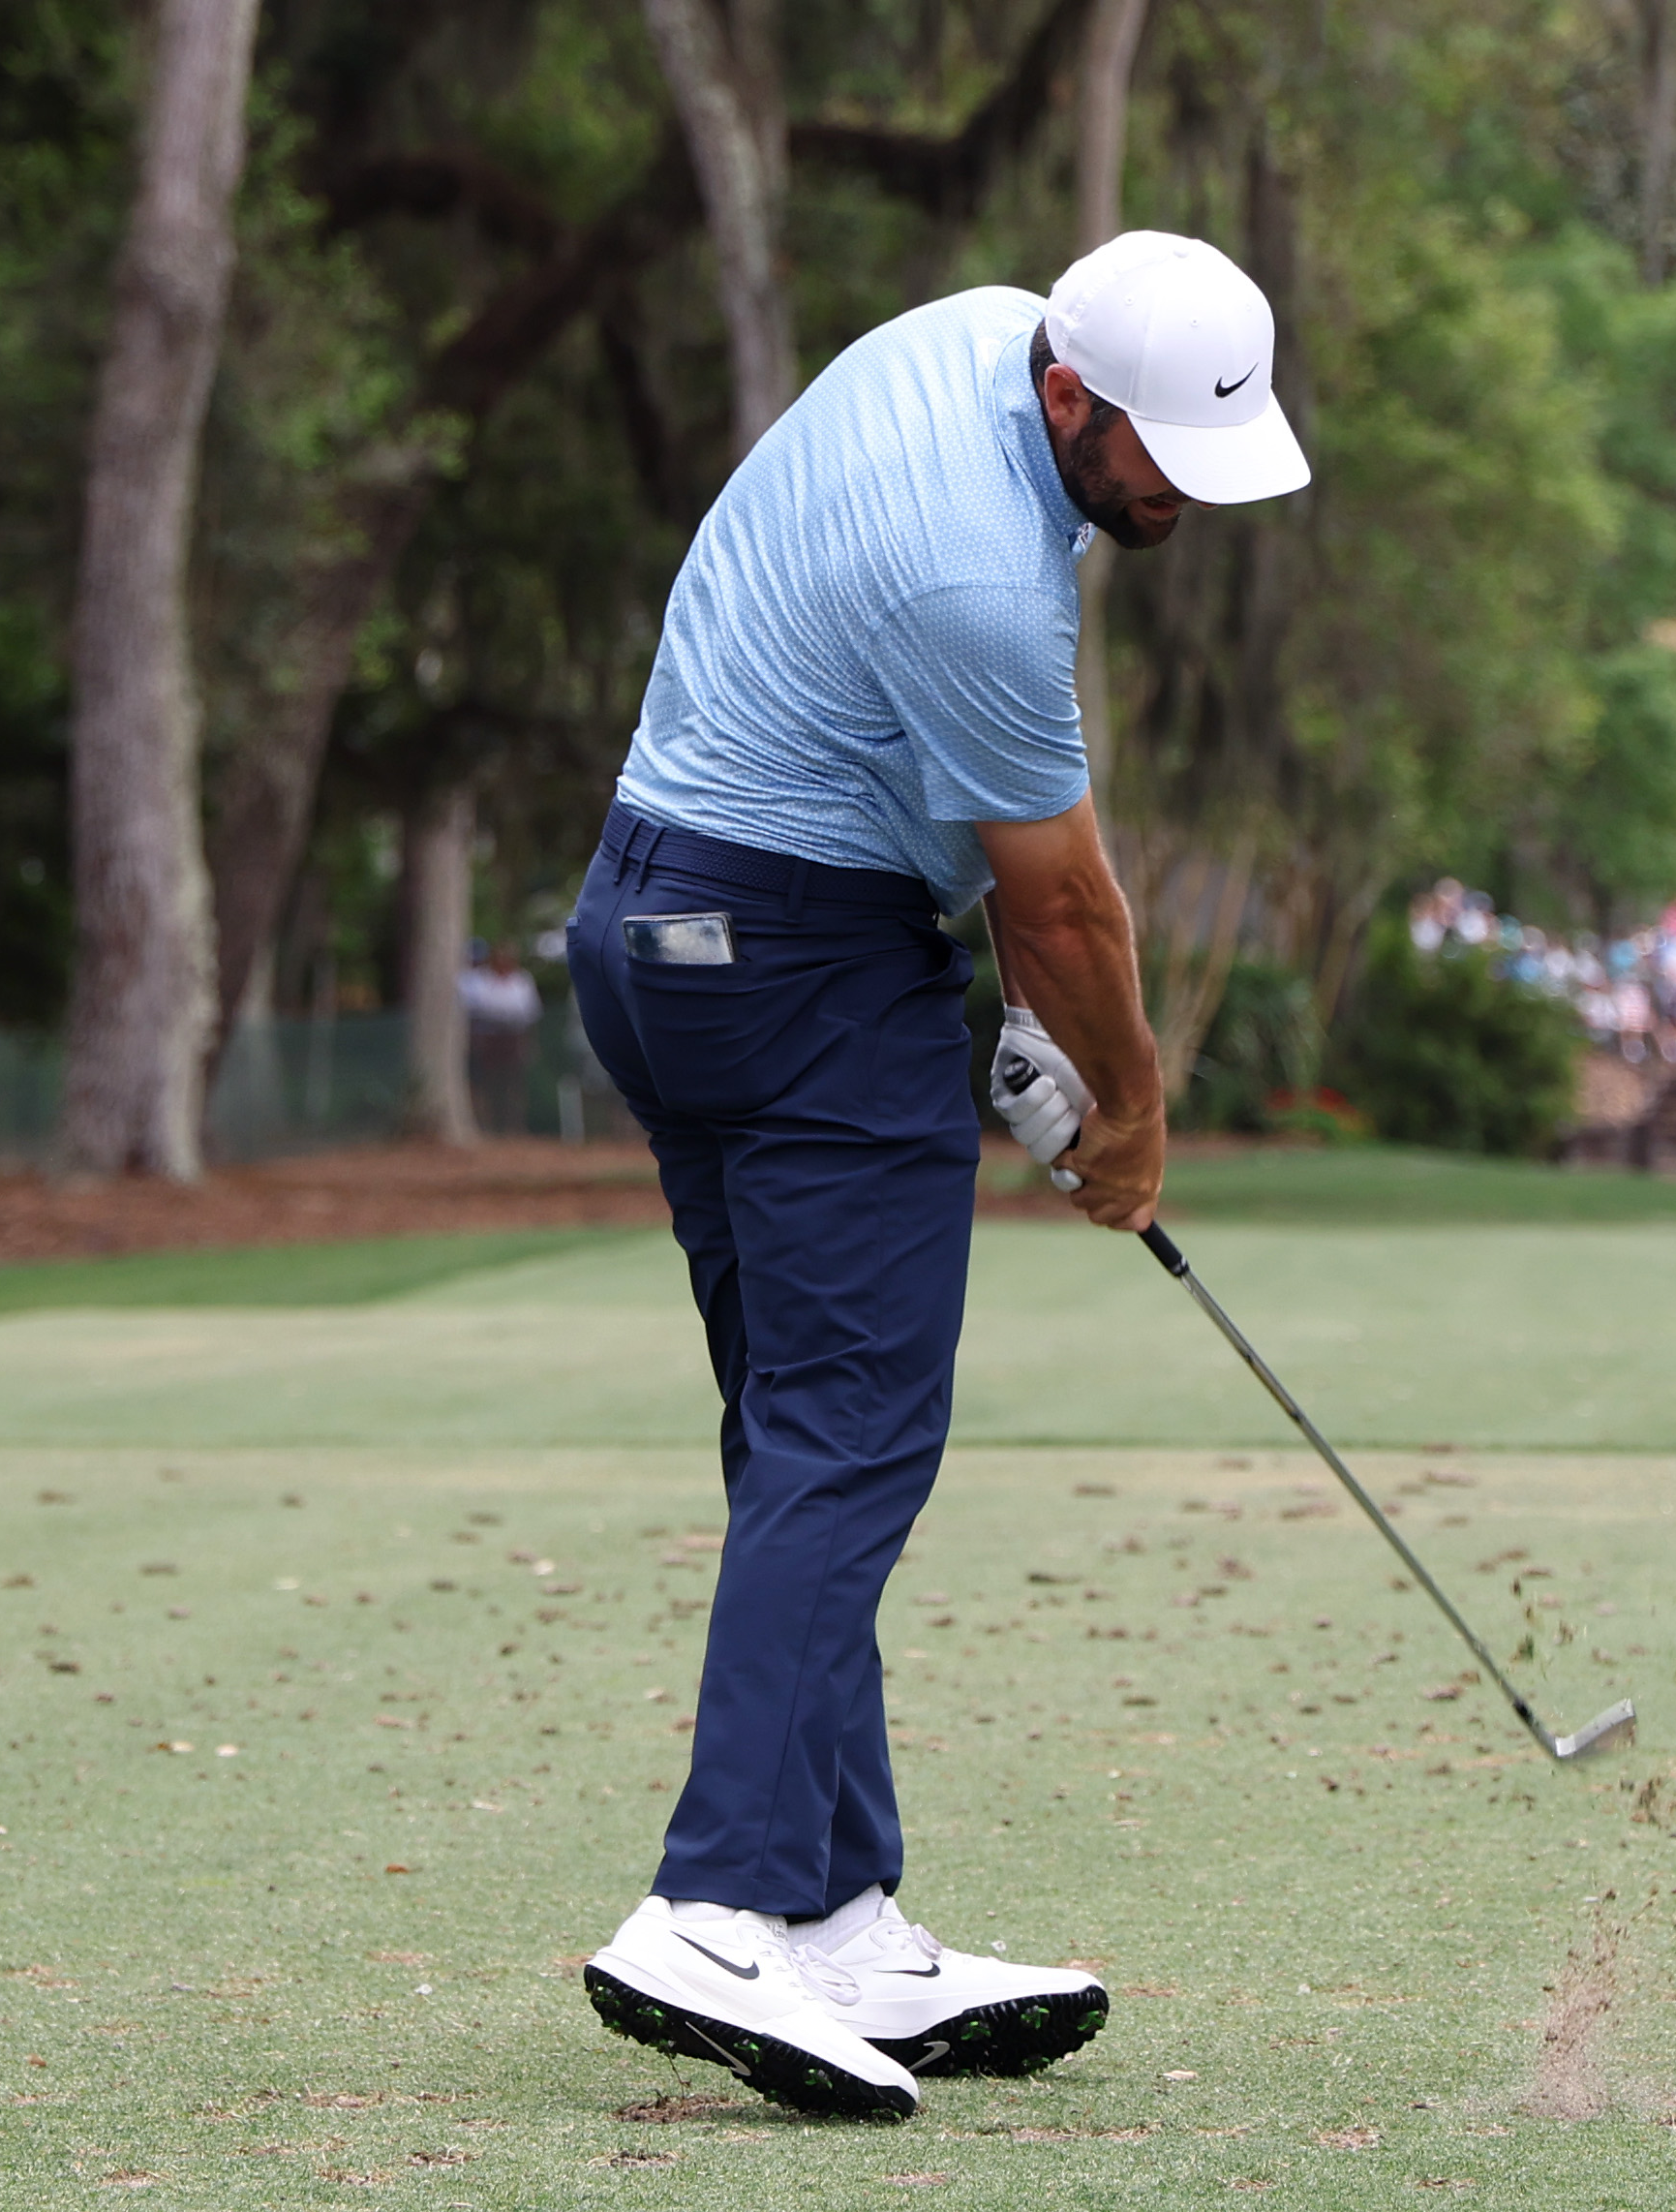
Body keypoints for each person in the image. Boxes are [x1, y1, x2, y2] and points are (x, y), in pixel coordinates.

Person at [563, 231, 1310, 2121]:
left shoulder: (979, 333)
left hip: (650, 927)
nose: (1174, 501)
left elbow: (975, 842)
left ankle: (836, 1912)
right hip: (798, 955)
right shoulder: (980, 567)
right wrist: (1129, 1114)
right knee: (856, 1433)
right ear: (1073, 397)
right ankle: (716, 1895)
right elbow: (1062, 901)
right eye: (1158, 459)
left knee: (798, 1429)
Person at [458, 937, 542, 1136]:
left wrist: (529, 1043)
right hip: (486, 1037)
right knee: (486, 1084)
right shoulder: (479, 980)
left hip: (513, 1037)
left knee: (513, 1085)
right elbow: (473, 1009)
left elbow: (530, 1013)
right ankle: (486, 1126)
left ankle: (514, 1126)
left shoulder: (522, 981)